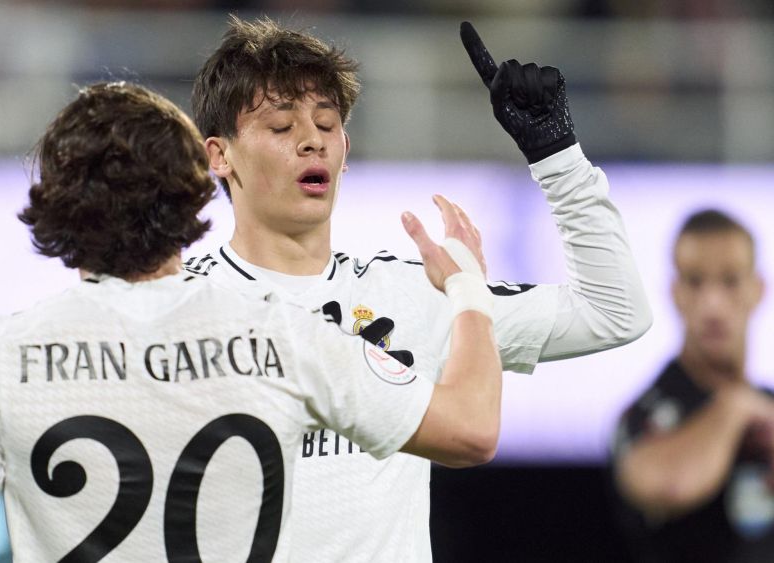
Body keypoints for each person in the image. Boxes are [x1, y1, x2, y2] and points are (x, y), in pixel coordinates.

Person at [0, 81, 505, 562]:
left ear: (54, 208)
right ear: (193, 194)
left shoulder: (5, 354)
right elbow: (471, 431)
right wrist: (466, 287)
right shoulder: (281, 331)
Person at [187, 16, 653, 562]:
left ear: (346, 146)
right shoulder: (181, 307)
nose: (312, 141)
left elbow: (614, 311)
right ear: (219, 155)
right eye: (282, 128)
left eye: (327, 123)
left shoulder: (415, 293)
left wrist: (558, 159)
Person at [611, 209, 774, 562]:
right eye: (696, 281)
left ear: (758, 289)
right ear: (675, 292)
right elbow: (668, 485)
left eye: (730, 281)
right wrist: (735, 406)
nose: (713, 305)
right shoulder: (644, 413)